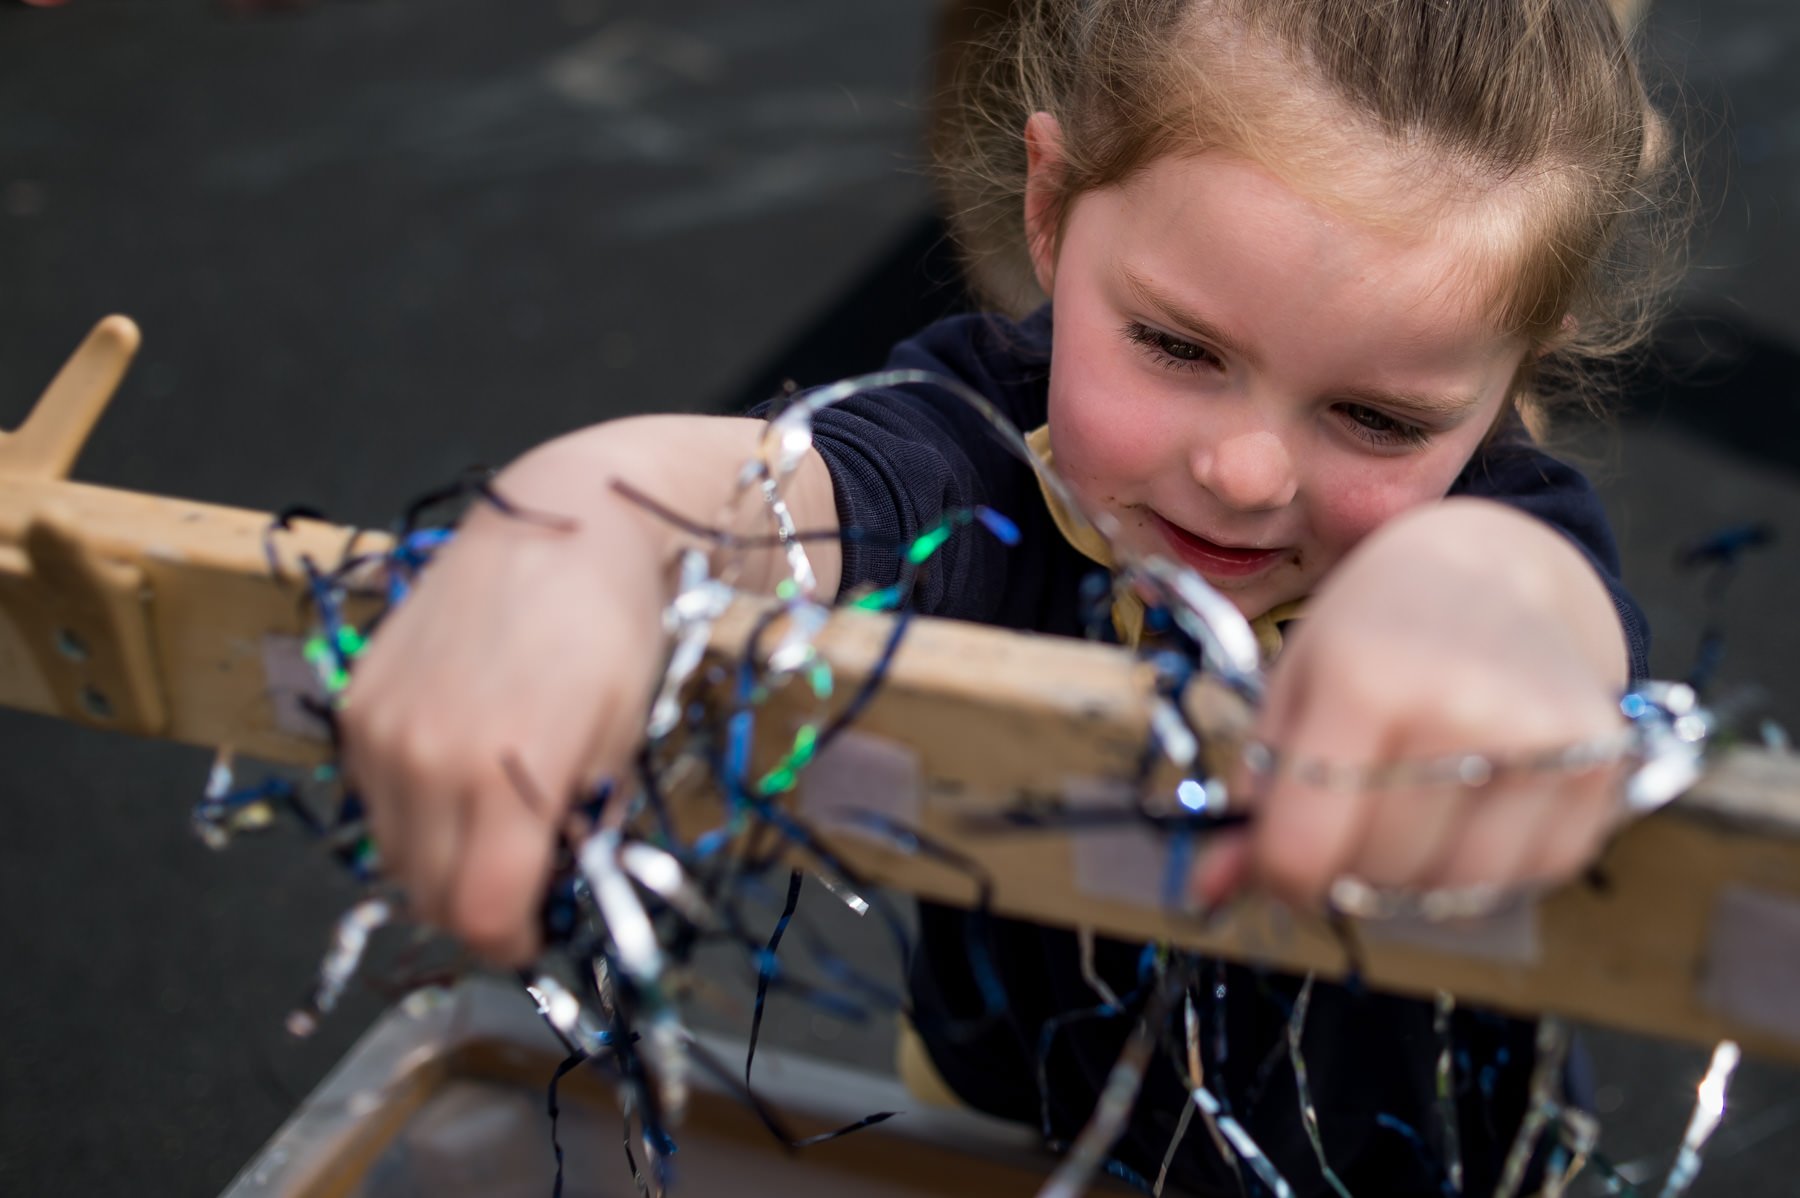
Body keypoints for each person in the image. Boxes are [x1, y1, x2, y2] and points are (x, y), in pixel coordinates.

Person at [341, 0, 1684, 1192]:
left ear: (1513, 375)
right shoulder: (978, 448)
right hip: (1004, 1140)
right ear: (1047, 213)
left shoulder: (1502, 527)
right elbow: (779, 495)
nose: (1245, 470)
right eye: (1174, 344)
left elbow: (1533, 599)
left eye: (1379, 417)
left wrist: (1470, 609)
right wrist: (580, 526)